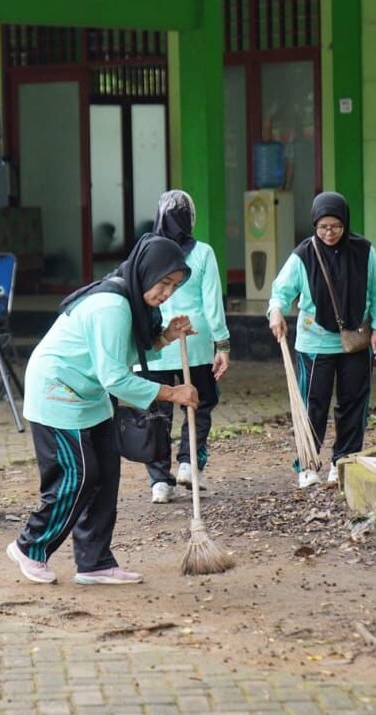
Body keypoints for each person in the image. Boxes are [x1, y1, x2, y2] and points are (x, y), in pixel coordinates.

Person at [6, 237, 198, 585]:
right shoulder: (112, 306)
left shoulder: (130, 300)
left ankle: (94, 562)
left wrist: (166, 336)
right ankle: (30, 546)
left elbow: (123, 351)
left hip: (89, 395)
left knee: (106, 476)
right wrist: (172, 393)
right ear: (145, 271)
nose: (167, 292)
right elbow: (116, 378)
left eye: (174, 286)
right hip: (57, 392)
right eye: (163, 282)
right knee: (78, 476)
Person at [268, 192, 376, 485]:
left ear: (345, 222)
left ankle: (344, 461)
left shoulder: (364, 251)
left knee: (353, 403)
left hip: (355, 341)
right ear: (314, 225)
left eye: (335, 226)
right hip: (314, 342)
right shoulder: (303, 255)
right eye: (323, 227)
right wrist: (276, 312)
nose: (329, 233)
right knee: (312, 405)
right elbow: (281, 291)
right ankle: (307, 464)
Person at [136, 191, 230, 503]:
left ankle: (160, 481)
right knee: (199, 404)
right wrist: (223, 345)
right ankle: (190, 463)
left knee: (157, 411)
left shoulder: (144, 249)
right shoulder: (202, 252)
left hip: (156, 341)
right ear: (190, 219)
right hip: (196, 337)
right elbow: (213, 303)